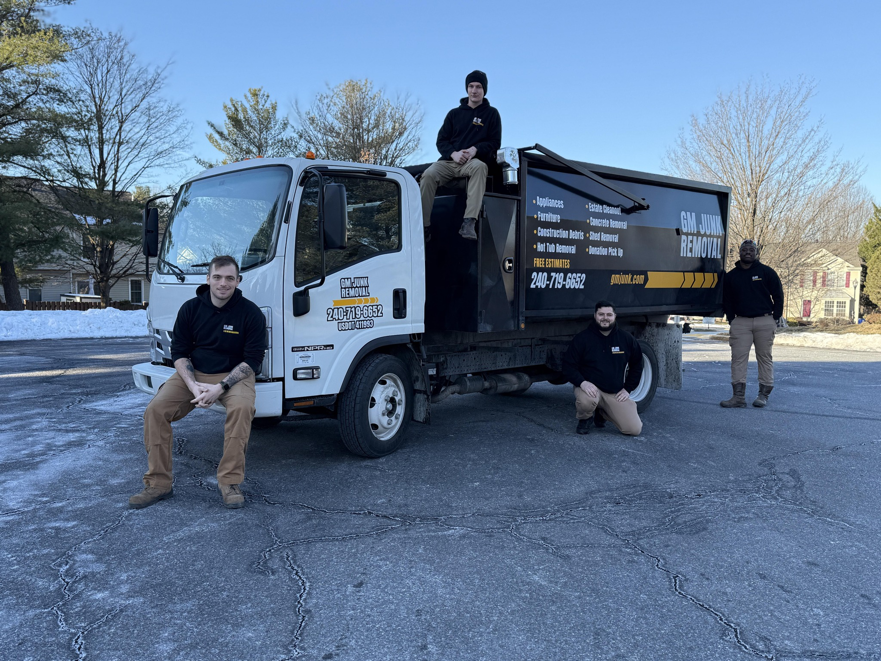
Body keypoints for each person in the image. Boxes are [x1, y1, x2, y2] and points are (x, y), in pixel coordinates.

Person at [129, 255, 267, 510]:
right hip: (194, 374)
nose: (222, 283)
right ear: (208, 279)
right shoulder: (191, 308)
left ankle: (229, 483)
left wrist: (221, 387)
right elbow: (179, 352)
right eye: (217, 277)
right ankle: (158, 484)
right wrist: (193, 386)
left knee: (242, 409)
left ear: (238, 280)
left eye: (229, 278)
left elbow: (253, 361)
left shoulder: (251, 313)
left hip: (234, 376)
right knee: (155, 411)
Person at [419, 69, 502, 241]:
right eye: (471, 86)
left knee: (481, 168)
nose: (474, 90)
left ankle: (469, 222)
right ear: (466, 89)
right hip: (450, 162)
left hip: (473, 162)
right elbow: (441, 141)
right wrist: (453, 154)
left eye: (478, 87)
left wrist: (475, 150)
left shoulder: (492, 114)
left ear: (484, 90)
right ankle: (423, 226)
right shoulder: (454, 114)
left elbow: (495, 143)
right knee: (427, 175)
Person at [563, 300, 644, 436]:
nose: (605, 318)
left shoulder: (626, 339)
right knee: (586, 402)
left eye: (609, 314)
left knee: (634, 429)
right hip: (589, 389)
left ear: (615, 316)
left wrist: (627, 388)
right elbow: (568, 366)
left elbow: (637, 364)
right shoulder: (582, 338)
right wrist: (582, 383)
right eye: (601, 314)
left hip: (614, 392)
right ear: (595, 315)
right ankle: (585, 418)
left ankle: (602, 412)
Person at [720, 239, 785, 408]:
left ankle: (763, 396)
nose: (747, 252)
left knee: (764, 358)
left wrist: (775, 316)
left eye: (751, 250)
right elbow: (727, 300)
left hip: (765, 320)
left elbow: (778, 295)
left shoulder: (767, 272)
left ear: (756, 253)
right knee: (738, 359)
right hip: (740, 322)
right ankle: (738, 397)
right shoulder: (731, 276)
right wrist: (731, 319)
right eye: (744, 249)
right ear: (739, 253)